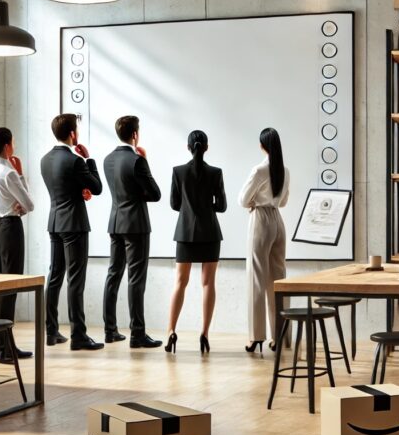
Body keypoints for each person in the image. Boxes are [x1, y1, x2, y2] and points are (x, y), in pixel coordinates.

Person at [40, 113, 105, 351]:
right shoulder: (76, 160)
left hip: (54, 223)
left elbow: (64, 188)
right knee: (75, 280)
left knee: (55, 277)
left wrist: (80, 192)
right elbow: (97, 187)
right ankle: (78, 335)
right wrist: (89, 159)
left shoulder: (45, 160)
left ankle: (51, 331)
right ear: (72, 134)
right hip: (75, 225)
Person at [102, 116, 163, 348]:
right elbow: (155, 193)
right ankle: (137, 334)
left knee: (113, 275)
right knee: (136, 279)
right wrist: (144, 160)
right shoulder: (137, 160)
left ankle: (110, 331)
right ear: (135, 134)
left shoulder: (108, 159)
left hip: (115, 223)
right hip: (135, 225)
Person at [166, 130, 226, 355]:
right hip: (210, 233)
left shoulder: (178, 172)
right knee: (208, 283)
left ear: (188, 147)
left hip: (185, 233)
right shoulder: (215, 172)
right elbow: (221, 206)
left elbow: (174, 204)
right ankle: (204, 334)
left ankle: (171, 331)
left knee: (180, 283)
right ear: (206, 147)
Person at [0, 127, 35, 362]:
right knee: (9, 288)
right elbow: (29, 204)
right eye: (12, 142)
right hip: (10, 229)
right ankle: (3, 347)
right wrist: (20, 174)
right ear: (6, 147)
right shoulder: (9, 173)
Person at [239, 127, 290, 353]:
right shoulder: (285, 171)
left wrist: (253, 203)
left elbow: (243, 199)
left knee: (256, 279)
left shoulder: (259, 170)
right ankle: (279, 335)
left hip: (260, 220)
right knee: (278, 279)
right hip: (278, 221)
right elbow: (284, 201)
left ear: (263, 146)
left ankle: (256, 336)